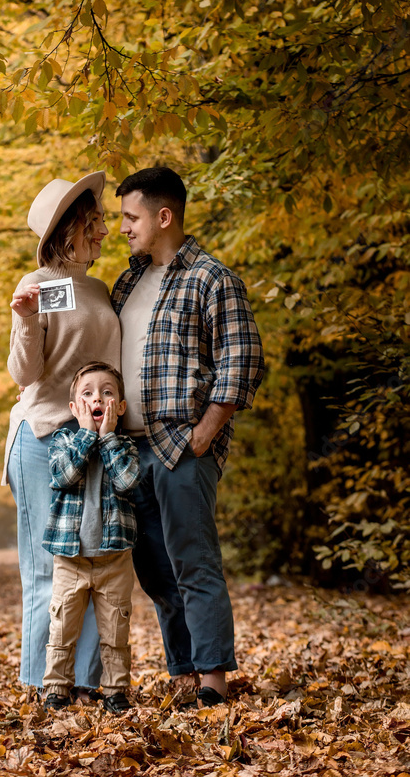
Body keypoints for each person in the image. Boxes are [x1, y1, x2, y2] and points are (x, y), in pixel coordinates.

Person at [112, 166, 264, 706]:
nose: (123, 227)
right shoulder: (127, 282)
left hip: (181, 447)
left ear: (163, 215)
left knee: (194, 563)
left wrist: (205, 433)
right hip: (129, 450)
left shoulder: (211, 278)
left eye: (131, 217)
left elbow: (241, 361)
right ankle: (183, 674)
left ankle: (213, 683)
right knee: (154, 569)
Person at [3, 171, 121, 696]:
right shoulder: (39, 286)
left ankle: (85, 685)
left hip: (93, 442)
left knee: (96, 566)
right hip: (45, 438)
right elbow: (26, 374)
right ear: (66, 231)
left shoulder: (98, 287)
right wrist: (25, 321)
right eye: (93, 224)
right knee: (49, 571)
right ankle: (40, 683)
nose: (102, 233)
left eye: (101, 223)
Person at [42, 362, 140, 715]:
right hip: (71, 558)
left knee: (115, 631)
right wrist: (86, 434)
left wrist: (109, 438)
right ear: (74, 408)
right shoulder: (64, 440)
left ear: (121, 407)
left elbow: (128, 482)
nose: (97, 397)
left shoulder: (125, 446)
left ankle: (115, 691)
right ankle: (56, 688)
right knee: (62, 628)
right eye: (87, 393)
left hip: (114, 559)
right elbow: (64, 476)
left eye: (108, 392)